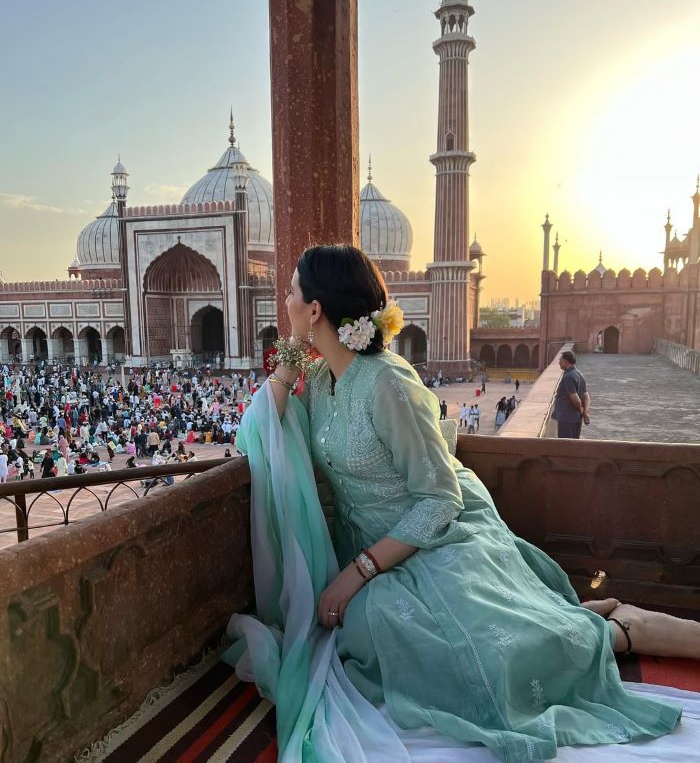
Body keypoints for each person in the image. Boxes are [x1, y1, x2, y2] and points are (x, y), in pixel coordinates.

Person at [227, 245, 699, 763]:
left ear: (315, 309)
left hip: (431, 539)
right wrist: (294, 353)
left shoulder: (388, 383)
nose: (286, 299)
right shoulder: (320, 382)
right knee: (371, 635)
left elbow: (439, 499)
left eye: (293, 292)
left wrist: (356, 572)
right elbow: (258, 431)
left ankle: (616, 633)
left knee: (484, 665)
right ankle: (573, 622)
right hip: (374, 553)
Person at [552, 350, 590, 439]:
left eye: (560, 361)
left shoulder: (569, 376)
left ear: (566, 362)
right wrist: (585, 412)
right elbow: (586, 396)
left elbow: (574, 398)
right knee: (574, 445)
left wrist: (581, 410)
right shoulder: (579, 374)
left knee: (565, 446)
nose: (558, 363)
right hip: (576, 419)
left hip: (567, 419)